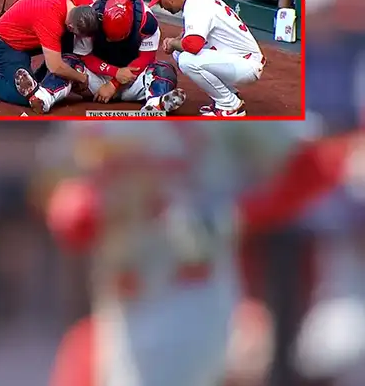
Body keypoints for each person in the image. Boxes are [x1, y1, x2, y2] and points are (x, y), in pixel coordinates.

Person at [43, 122, 360, 386]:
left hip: (193, 297)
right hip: (122, 304)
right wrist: (71, 202)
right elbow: (59, 177)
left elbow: (303, 166)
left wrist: (237, 214)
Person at [20, 0, 187, 115]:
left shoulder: (146, 21)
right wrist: (113, 73)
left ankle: (155, 105)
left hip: (132, 80)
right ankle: (43, 97)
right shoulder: (92, 16)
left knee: (164, 69)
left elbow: (146, 58)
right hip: (97, 79)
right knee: (69, 61)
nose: (109, 40)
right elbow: (85, 55)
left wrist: (115, 83)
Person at [148, 0, 264, 117]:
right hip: (239, 60)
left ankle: (230, 106)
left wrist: (172, 42)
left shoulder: (196, 4)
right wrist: (176, 41)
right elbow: (193, 34)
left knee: (186, 59)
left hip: (246, 65)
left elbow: (193, 45)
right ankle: (231, 94)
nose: (161, 6)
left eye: (160, 2)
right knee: (179, 52)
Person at [0, 0, 97, 107]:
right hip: (3, 46)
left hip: (24, 37)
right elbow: (55, 67)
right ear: (71, 27)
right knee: (31, 98)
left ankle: (40, 79)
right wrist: (81, 78)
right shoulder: (51, 21)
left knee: (66, 40)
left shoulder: (80, 2)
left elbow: (98, 2)